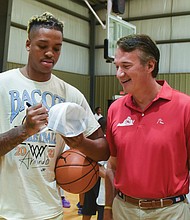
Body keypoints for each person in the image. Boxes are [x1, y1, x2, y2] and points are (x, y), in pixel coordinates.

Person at [0, 12, 109, 220]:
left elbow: (103, 150)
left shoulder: (71, 94)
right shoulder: (3, 85)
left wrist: (80, 143)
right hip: (5, 211)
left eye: (56, 48)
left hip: (50, 210)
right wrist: (23, 131)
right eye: (42, 46)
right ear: (28, 44)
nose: (50, 53)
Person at [104, 34, 190, 220]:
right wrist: (108, 208)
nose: (119, 74)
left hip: (170, 212)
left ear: (150, 66)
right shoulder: (115, 109)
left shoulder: (185, 107)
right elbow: (112, 165)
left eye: (126, 66)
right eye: (117, 67)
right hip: (123, 210)